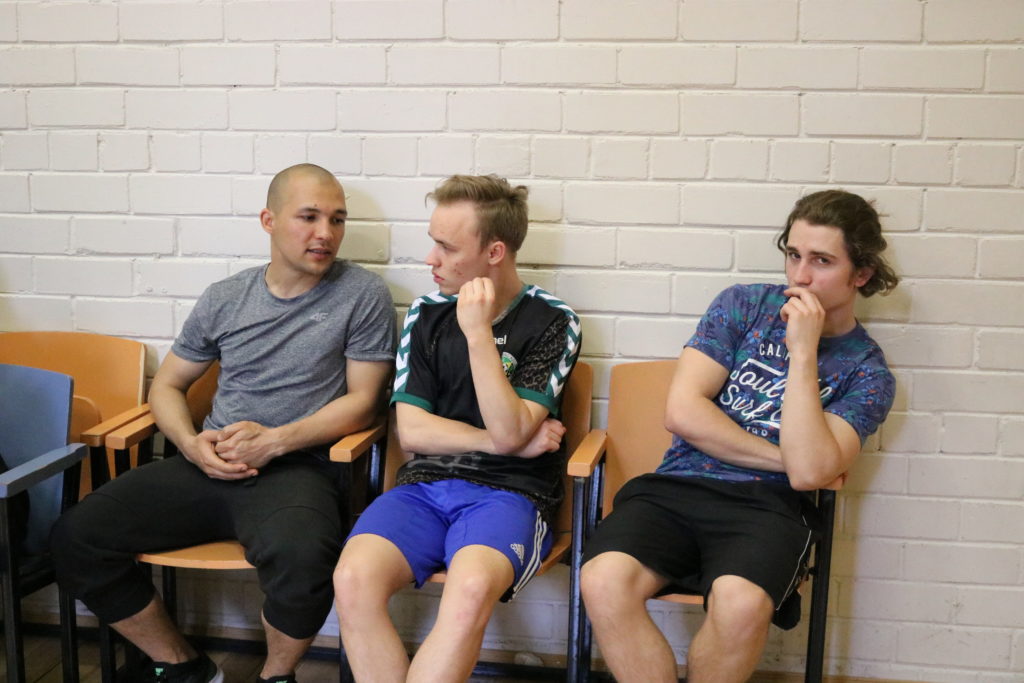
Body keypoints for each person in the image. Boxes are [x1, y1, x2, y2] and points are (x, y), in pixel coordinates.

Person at [51, 163, 397, 683]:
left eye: (337, 219)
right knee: (76, 537)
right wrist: (190, 444)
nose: (326, 233)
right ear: (269, 221)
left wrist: (275, 441)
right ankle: (182, 665)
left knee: (305, 560)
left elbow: (364, 403)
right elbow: (167, 386)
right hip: (206, 463)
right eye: (309, 217)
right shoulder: (226, 296)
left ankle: (275, 675)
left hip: (296, 469)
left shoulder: (361, 294)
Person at [580, 189, 899, 683]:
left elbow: (808, 476)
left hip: (770, 507)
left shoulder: (867, 371)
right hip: (678, 485)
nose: (800, 276)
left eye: (822, 261)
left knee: (741, 603)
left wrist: (803, 352)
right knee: (602, 579)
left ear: (861, 274)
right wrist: (787, 459)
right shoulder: (744, 305)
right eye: (793, 255)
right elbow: (683, 413)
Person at [333, 174, 582, 683]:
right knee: (352, 578)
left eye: (447, 247)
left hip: (511, 493)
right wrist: (505, 442)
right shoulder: (426, 314)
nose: (432, 259)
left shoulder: (554, 321)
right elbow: (413, 432)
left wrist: (477, 333)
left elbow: (511, 431)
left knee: (468, 591)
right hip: (424, 487)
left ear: (494, 252)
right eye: (434, 243)